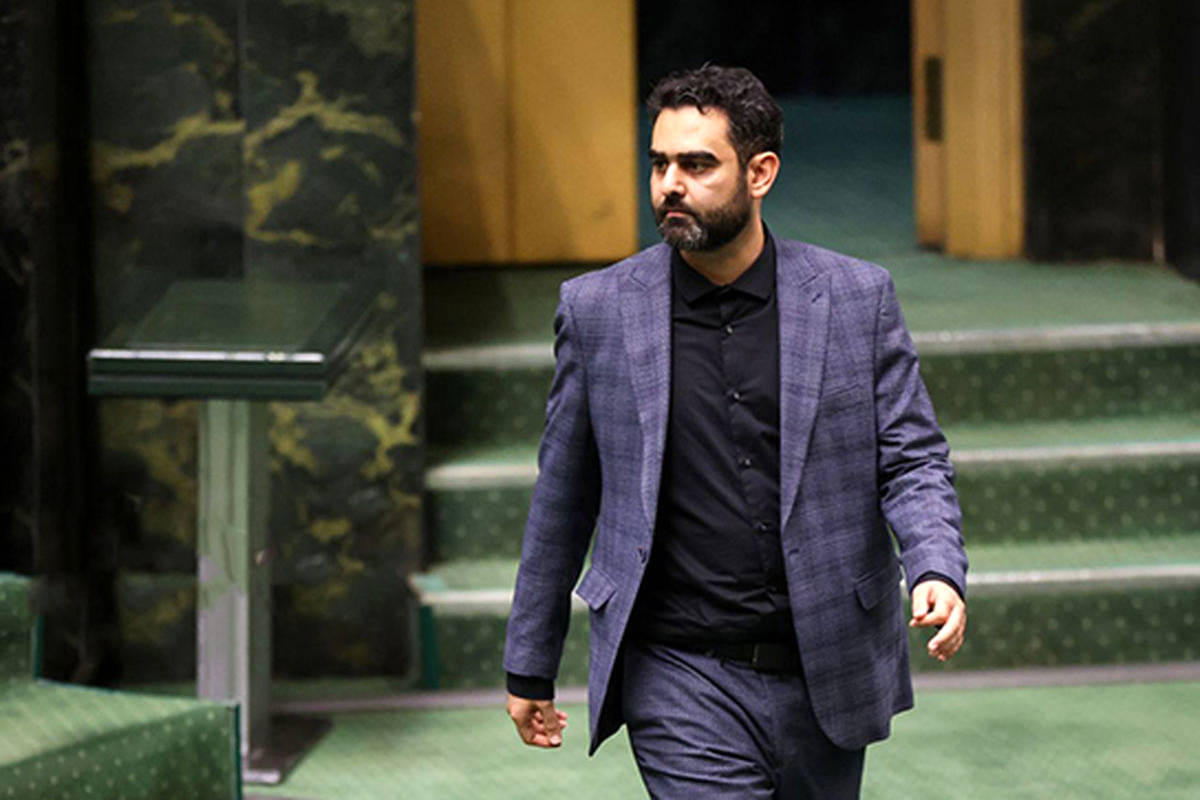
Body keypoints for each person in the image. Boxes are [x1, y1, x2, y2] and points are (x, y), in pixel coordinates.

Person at [503, 65, 967, 799]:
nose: (669, 185)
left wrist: (935, 566)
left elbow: (911, 459)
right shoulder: (599, 311)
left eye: (696, 165)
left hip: (826, 666)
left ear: (760, 173)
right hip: (677, 671)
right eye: (659, 164)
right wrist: (530, 661)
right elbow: (564, 493)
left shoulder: (855, 299)